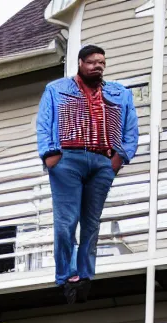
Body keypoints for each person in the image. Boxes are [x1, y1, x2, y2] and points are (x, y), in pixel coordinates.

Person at [37, 44, 139, 304]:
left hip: (102, 161)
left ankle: (84, 275)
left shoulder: (120, 94)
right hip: (67, 159)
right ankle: (66, 274)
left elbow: (131, 128)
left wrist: (118, 159)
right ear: (80, 63)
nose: (98, 66)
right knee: (66, 222)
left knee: (91, 223)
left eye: (102, 62)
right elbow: (44, 123)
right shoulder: (56, 89)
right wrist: (50, 155)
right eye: (92, 62)